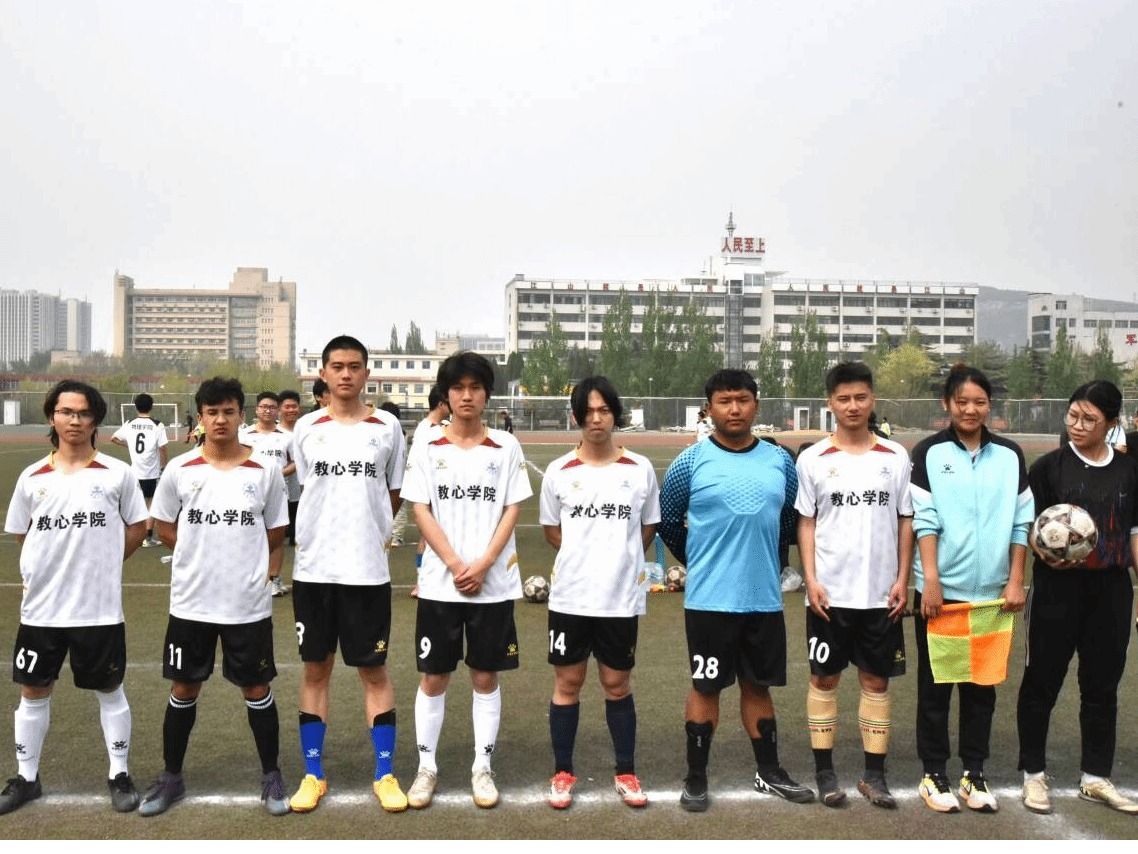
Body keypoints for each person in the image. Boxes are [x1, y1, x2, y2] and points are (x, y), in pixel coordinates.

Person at [659, 368, 812, 812]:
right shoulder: (690, 462)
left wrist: (772, 560)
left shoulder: (780, 460)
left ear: (756, 406)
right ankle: (696, 777)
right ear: (709, 409)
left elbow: (789, 520)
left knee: (757, 687)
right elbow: (669, 521)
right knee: (705, 687)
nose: (734, 409)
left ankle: (770, 772)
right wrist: (701, 560)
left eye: (743, 400)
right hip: (709, 600)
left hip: (763, 598)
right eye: (724, 401)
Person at [138, 377, 290, 817]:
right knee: (184, 686)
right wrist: (196, 552)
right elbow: (164, 525)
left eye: (228, 411)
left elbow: (275, 531)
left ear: (241, 415)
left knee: (256, 687)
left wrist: (255, 571)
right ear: (201, 418)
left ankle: (271, 774)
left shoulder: (263, 471)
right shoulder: (180, 468)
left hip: (246, 603)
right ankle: (172, 776)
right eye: (212, 412)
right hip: (192, 601)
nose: (220, 419)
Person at [0, 380, 148, 815]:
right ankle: (27, 778)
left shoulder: (117, 474)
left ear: (95, 419)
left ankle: (119, 773)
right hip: (41, 610)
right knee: (33, 690)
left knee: (109, 688)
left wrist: (105, 563)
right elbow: (22, 533)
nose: (75, 420)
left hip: (97, 609)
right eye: (66, 412)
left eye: (83, 413)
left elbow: (137, 527)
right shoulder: (32, 477)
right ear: (52, 416)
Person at [400, 351, 532, 809]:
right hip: (442, 583)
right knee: (434, 676)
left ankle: (482, 767)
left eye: (476, 387)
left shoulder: (506, 447)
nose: (467, 395)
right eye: (458, 388)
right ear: (447, 395)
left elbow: (512, 508)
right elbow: (420, 509)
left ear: (487, 394)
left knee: (484, 675)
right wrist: (457, 564)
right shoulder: (427, 446)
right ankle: (426, 768)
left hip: (491, 585)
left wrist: (485, 562)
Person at [288, 335, 409, 814]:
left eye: (354, 366)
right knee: (316, 669)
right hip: (315, 570)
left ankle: (385, 774)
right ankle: (313, 773)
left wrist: (369, 531)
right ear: (322, 373)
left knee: (373, 670)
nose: (345, 374)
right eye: (336, 366)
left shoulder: (388, 427)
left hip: (367, 571)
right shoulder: (306, 428)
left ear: (366, 374)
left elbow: (392, 493)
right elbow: (309, 489)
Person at [909, 365, 1032, 813]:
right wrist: (931, 581)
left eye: (979, 402)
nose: (970, 409)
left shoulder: (1010, 456)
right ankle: (933, 773)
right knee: (937, 686)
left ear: (989, 406)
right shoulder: (928, 452)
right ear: (947, 404)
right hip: (941, 594)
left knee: (982, 688)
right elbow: (924, 521)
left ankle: (973, 774)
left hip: (992, 596)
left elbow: (1021, 522)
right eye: (962, 401)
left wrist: (1015, 580)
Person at [1016, 380, 1138, 815]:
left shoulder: (1129, 471)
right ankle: (1033, 774)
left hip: (1111, 591)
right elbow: (1027, 529)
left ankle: (1095, 777)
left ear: (1111, 423)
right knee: (1041, 681)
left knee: (1102, 686)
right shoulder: (1048, 468)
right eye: (1072, 415)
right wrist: (1043, 552)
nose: (1077, 425)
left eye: (1089, 419)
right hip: (1057, 590)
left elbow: (1134, 534)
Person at [795, 362, 912, 810]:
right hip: (830, 594)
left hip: (881, 595)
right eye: (843, 398)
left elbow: (905, 520)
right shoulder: (813, 459)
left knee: (876, 681)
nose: (852, 406)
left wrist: (902, 578)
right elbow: (807, 523)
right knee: (824, 678)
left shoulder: (895, 457)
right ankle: (825, 772)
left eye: (860, 397)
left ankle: (874, 776)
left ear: (872, 400)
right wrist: (811, 580)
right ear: (830, 403)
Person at [539, 376, 660, 809]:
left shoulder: (639, 469)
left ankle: (626, 771)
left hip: (620, 598)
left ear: (615, 415)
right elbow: (553, 531)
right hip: (571, 597)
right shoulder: (559, 472)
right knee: (568, 682)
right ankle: (562, 772)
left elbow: (648, 527)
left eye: (604, 410)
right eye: (588, 411)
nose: (596, 418)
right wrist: (585, 558)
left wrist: (618, 560)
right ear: (576, 416)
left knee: (617, 683)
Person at [241, 391, 296, 597]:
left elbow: (296, 462)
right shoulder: (244, 435)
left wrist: (277, 474)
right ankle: (250, 576)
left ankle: (274, 578)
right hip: (248, 494)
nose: (267, 410)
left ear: (277, 411)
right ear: (256, 410)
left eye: (272, 407)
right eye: (264, 407)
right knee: (250, 535)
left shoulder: (287, 437)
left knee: (276, 536)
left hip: (279, 493)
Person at [111, 392, 169, 547]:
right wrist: (164, 467)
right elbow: (162, 448)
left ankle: (128, 534)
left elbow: (114, 438)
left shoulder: (129, 423)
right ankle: (147, 538)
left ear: (136, 407)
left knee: (134, 504)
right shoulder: (157, 425)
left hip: (134, 472)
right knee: (151, 504)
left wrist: (129, 445)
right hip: (151, 473)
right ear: (151, 406)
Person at [277, 390, 303, 546]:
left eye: (294, 406)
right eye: (287, 407)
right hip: (282, 484)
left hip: (302, 486)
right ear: (279, 409)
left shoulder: (305, 429)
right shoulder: (274, 432)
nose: (291, 410)